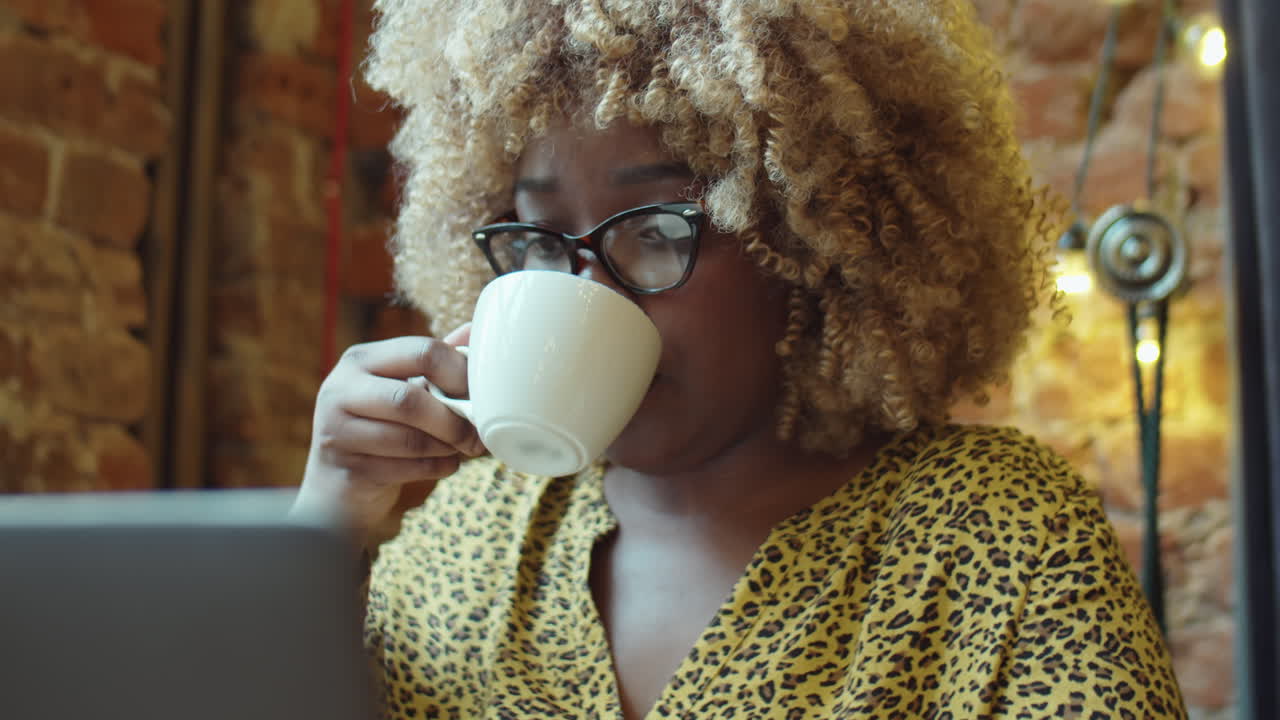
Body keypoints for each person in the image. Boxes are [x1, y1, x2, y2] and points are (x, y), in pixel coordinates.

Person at [295, 1, 1187, 717]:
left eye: (653, 231)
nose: (587, 292)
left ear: (817, 239)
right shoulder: (467, 543)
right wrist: (315, 543)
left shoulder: (997, 537)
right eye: (537, 238)